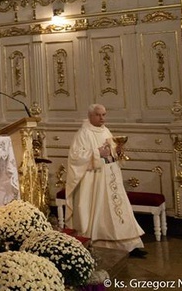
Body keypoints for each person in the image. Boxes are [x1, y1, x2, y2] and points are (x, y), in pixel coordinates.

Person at [65, 104, 145, 256]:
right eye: (98, 115)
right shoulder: (83, 133)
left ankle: (130, 245)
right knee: (101, 212)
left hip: (111, 176)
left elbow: (111, 152)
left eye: (104, 115)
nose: (102, 118)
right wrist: (97, 153)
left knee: (119, 210)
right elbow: (76, 157)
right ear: (90, 116)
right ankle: (100, 243)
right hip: (95, 179)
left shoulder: (106, 130)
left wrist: (118, 151)